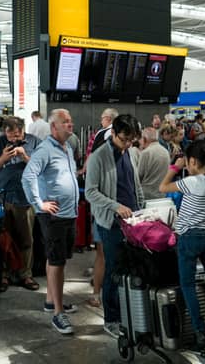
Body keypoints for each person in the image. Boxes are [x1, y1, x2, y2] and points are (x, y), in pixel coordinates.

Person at [159, 140, 205, 350]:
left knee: (188, 284)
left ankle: (200, 331)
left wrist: (175, 166)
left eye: (188, 162)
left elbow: (162, 186)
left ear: (192, 161)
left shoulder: (193, 182)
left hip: (189, 238)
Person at [21, 109, 80, 335]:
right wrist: (39, 204)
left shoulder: (67, 148)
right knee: (56, 262)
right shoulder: (45, 149)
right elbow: (28, 176)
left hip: (67, 213)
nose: (70, 124)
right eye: (65, 122)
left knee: (58, 260)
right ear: (54, 127)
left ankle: (50, 300)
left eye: (70, 121)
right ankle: (57, 313)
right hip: (54, 215)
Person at [86, 114, 143, 338]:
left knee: (131, 268)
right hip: (110, 223)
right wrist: (115, 206)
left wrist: (142, 208)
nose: (128, 144)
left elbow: (134, 183)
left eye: (131, 140)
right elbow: (91, 192)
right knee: (114, 270)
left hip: (133, 221)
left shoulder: (128, 152)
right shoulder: (98, 157)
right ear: (113, 133)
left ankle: (129, 313)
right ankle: (111, 319)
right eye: (124, 139)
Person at [0, 116, 41, 292]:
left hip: (25, 197)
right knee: (2, 238)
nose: (13, 139)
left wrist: (25, 156)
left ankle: (25, 274)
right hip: (2, 196)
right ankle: (3, 274)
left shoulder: (34, 142)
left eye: (17, 135)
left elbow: (43, 168)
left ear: (23, 130)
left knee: (26, 239)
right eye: (10, 135)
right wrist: (3, 158)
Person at [136, 127, 170, 200]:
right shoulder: (165, 151)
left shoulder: (146, 153)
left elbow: (139, 176)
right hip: (162, 194)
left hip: (147, 195)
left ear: (144, 139)